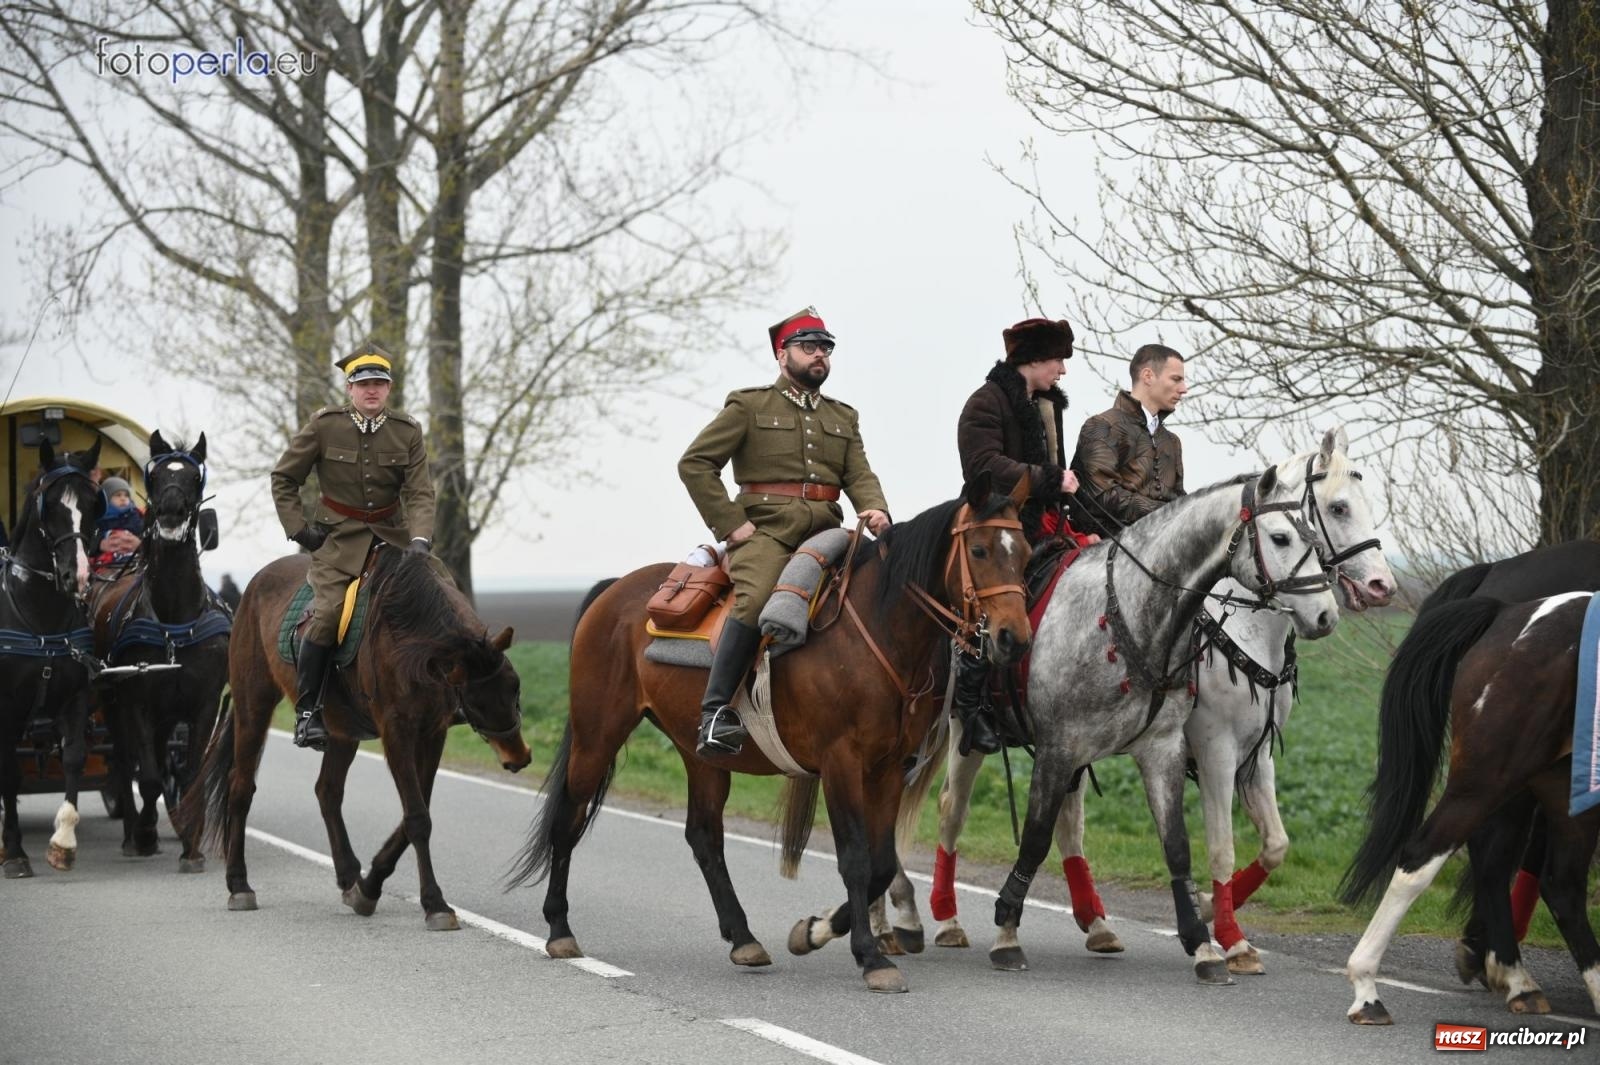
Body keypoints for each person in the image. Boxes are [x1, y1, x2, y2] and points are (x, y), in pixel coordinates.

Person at [679, 306, 891, 757]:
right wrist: (731, 525)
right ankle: (715, 714)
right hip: (766, 532)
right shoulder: (749, 405)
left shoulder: (843, 416)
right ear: (782, 355)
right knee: (757, 599)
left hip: (826, 531)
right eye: (809, 346)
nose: (820, 354)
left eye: (826, 348)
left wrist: (874, 508)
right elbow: (695, 464)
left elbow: (859, 474)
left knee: (880, 589)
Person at [270, 344, 436, 751]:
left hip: (394, 539)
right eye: (364, 384)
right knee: (327, 616)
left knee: (444, 597)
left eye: (379, 383)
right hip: (337, 542)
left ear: (389, 388)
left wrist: (419, 540)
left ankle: (458, 696)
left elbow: (419, 493)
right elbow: (284, 478)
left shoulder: (408, 431)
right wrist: (299, 530)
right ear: (350, 388)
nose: (372, 390)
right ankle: (308, 712)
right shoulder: (324, 426)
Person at [954, 317, 1096, 754]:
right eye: (1057, 361)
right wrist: (1048, 478)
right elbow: (983, 466)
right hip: (995, 525)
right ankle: (972, 706)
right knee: (993, 599)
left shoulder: (1046, 406)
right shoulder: (985, 402)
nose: (1063, 370)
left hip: (1045, 522)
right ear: (1033, 360)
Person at [1069, 343, 1188, 538]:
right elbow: (1102, 496)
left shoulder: (1171, 441)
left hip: (1165, 545)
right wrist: (1172, 512)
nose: (1184, 389)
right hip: (1107, 548)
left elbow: (1179, 498)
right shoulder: (1102, 425)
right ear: (1148, 376)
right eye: (1176, 379)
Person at [92, 475, 144, 569]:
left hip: (133, 562)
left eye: (126, 495)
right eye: (118, 495)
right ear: (106, 499)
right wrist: (99, 543)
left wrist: (140, 544)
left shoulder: (135, 516)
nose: (123, 498)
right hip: (105, 564)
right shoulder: (98, 519)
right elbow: (90, 540)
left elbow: (145, 534)